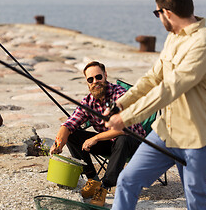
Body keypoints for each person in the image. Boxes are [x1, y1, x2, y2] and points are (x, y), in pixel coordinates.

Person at [105, 0, 206, 210]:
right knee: (127, 180)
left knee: (196, 200)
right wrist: (120, 104)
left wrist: (126, 119)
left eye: (158, 13)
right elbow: (153, 78)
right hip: (165, 132)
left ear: (166, 12)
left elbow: (170, 88)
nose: (159, 18)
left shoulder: (204, 43)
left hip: (196, 138)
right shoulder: (174, 37)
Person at [50, 61, 145, 207]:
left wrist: (95, 137)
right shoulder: (88, 102)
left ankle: (105, 187)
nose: (95, 82)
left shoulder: (119, 94)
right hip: (110, 144)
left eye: (98, 77)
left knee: (122, 139)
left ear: (105, 76)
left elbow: (123, 128)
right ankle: (93, 180)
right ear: (87, 83)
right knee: (73, 135)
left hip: (134, 143)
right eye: (90, 79)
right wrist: (58, 144)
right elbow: (68, 125)